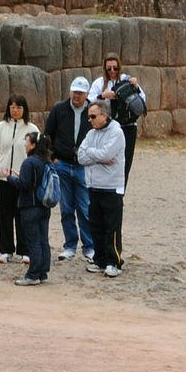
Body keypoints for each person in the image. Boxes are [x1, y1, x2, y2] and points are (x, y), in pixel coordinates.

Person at [42, 76, 94, 262]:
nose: (77, 96)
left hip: (83, 166)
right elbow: (48, 134)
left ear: (87, 93)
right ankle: (70, 245)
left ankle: (89, 246)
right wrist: (52, 157)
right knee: (66, 208)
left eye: (80, 93)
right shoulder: (59, 109)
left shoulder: (93, 111)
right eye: (74, 92)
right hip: (62, 164)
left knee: (85, 208)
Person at [0, 96, 38, 264]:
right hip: (3, 178)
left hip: (23, 179)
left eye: (19, 107)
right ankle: (6, 249)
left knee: (23, 215)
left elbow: (38, 151)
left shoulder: (32, 128)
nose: (15, 110)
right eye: (12, 107)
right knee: (5, 214)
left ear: (25, 109)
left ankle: (25, 250)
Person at [77, 101, 127, 277]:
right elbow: (81, 156)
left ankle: (114, 261)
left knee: (111, 227)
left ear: (104, 116)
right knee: (96, 225)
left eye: (93, 116)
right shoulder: (91, 133)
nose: (90, 120)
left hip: (111, 187)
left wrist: (94, 154)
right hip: (93, 186)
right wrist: (98, 156)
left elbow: (107, 154)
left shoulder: (117, 132)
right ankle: (100, 259)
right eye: (88, 116)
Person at [87, 53, 145, 180]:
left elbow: (142, 100)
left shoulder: (126, 80)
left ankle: (120, 194)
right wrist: (102, 96)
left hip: (128, 127)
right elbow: (89, 102)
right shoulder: (99, 83)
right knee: (107, 160)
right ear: (104, 68)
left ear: (120, 67)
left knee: (125, 162)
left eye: (115, 68)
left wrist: (135, 88)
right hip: (107, 127)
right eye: (109, 68)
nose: (112, 71)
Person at [10, 130, 54, 286]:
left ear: (33, 145)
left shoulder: (29, 162)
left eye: (27, 140)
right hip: (44, 206)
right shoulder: (46, 161)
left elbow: (24, 185)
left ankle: (33, 274)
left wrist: (10, 178)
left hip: (30, 207)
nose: (25, 143)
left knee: (33, 241)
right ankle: (42, 272)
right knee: (43, 240)